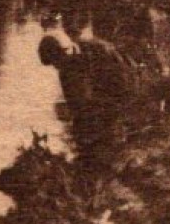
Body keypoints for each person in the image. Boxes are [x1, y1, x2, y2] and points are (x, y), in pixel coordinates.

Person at [37, 26, 134, 162]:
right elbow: (75, 104)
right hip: (97, 106)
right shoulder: (65, 69)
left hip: (118, 96)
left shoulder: (99, 52)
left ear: (67, 50)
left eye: (58, 61)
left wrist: (101, 108)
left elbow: (122, 86)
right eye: (54, 64)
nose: (57, 67)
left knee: (109, 142)